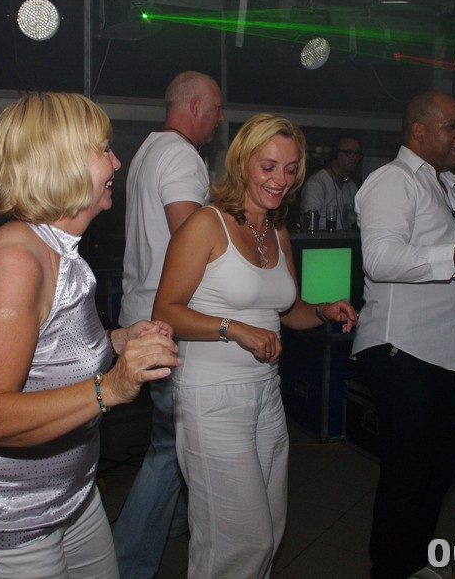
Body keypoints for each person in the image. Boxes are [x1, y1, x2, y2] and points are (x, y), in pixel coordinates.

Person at [0, 92, 180, 579]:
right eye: (104, 149)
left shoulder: (57, 249)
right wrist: (112, 387)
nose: (116, 162)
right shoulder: (17, 263)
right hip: (10, 518)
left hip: (73, 497)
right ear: (62, 160)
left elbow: (49, 351)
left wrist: (119, 341)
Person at [152, 113, 357, 578]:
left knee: (269, 533)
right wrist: (234, 329)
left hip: (266, 394)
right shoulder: (206, 224)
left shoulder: (276, 231)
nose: (280, 179)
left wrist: (322, 310)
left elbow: (285, 311)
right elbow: (165, 311)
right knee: (238, 543)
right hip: (211, 397)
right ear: (242, 163)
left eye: (290, 169)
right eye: (268, 167)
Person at [350, 90, 455, 579]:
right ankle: (389, 568)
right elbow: (380, 259)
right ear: (419, 130)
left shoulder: (450, 188)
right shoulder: (393, 181)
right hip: (403, 346)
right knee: (410, 466)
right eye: (452, 126)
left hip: (449, 349)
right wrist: (454, 255)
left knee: (443, 461)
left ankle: (411, 560)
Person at [113, 71, 225, 578]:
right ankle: (128, 563)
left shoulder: (149, 150)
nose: (219, 119)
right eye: (216, 109)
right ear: (195, 107)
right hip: (166, 322)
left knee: (171, 438)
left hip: (143, 313)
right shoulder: (181, 156)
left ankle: (175, 521)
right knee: (168, 447)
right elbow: (192, 240)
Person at [300, 133, 362, 230]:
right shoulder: (317, 184)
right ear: (335, 154)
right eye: (349, 153)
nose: (354, 158)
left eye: (357, 154)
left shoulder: (351, 186)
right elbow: (309, 224)